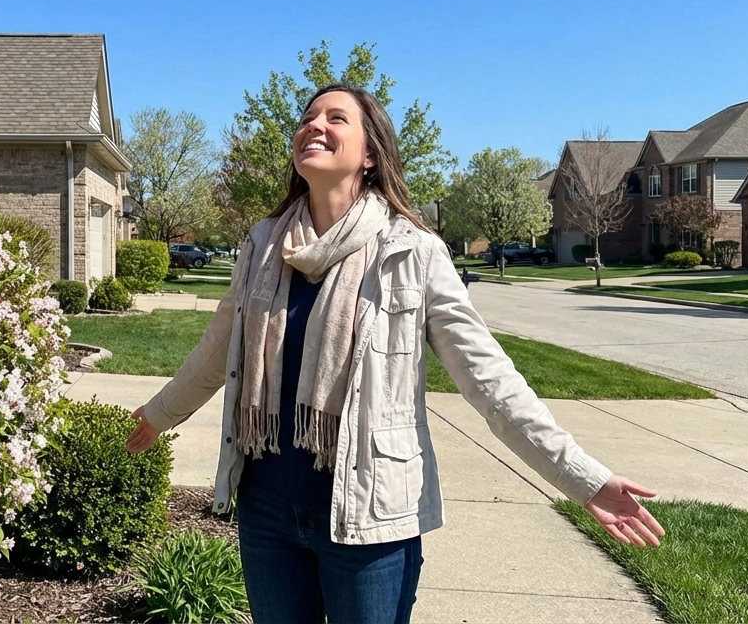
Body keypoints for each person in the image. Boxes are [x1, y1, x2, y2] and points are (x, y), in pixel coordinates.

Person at [124, 84, 664, 624]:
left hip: (370, 519)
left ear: (370, 155)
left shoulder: (414, 252)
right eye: (308, 117)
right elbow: (218, 350)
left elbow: (489, 379)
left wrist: (582, 477)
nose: (315, 125)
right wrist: (156, 415)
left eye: (336, 118)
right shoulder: (264, 245)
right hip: (266, 511)